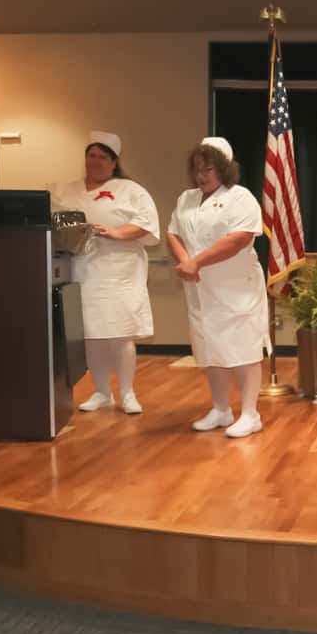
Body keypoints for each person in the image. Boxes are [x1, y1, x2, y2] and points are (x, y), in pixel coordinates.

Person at [52, 131, 160, 415]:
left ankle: (127, 393)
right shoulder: (64, 190)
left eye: (102, 157)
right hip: (81, 273)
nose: (95, 161)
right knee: (91, 335)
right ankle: (102, 392)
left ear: (113, 163)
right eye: (91, 155)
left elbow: (147, 226)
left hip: (119, 274)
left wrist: (115, 232)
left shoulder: (131, 190)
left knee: (121, 334)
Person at [167, 137, 269, 437]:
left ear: (224, 169)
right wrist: (187, 261)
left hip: (236, 288)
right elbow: (173, 232)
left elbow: (239, 239)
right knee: (210, 349)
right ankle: (221, 409)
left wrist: (196, 262)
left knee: (243, 348)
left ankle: (251, 414)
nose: (201, 176)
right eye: (197, 169)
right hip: (199, 288)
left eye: (208, 169)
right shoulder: (186, 199)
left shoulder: (241, 198)